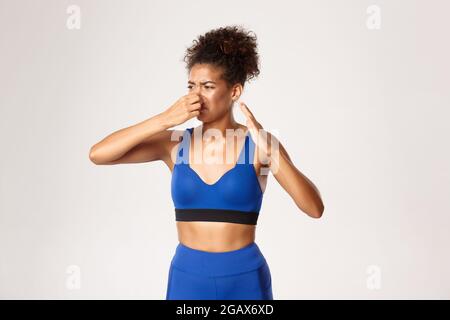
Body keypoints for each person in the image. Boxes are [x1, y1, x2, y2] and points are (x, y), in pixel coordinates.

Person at [89, 25, 324, 300]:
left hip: (245, 278)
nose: (196, 96)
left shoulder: (259, 143)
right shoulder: (174, 143)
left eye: (208, 86)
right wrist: (165, 119)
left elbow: (314, 208)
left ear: (234, 92)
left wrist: (272, 151)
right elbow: (99, 154)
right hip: (187, 277)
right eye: (191, 86)